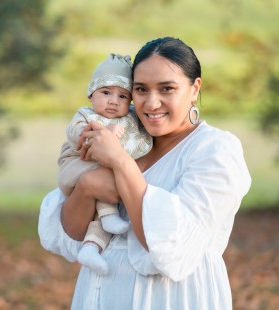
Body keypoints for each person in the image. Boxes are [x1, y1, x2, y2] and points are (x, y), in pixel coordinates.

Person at [38, 37, 251, 309]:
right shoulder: (124, 138)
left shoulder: (214, 150)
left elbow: (169, 244)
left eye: (167, 89)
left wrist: (120, 163)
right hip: (97, 296)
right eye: (140, 89)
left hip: (171, 299)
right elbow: (72, 233)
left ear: (194, 88)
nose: (151, 103)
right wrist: (88, 185)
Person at [57, 53, 153, 275]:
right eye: (106, 92)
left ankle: (91, 248)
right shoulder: (86, 115)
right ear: (91, 94)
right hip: (75, 168)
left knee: (113, 179)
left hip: (97, 178)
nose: (113, 101)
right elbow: (75, 134)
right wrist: (99, 133)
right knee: (112, 175)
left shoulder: (128, 121)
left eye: (122, 96)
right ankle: (108, 214)